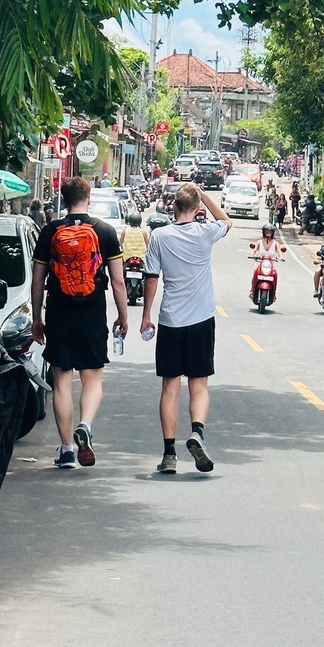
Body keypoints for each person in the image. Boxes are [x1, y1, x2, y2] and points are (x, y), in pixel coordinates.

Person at [31, 177, 128, 468]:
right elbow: (119, 281)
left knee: (62, 379)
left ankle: (66, 449)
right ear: (88, 198)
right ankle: (85, 425)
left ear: (63, 198)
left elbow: (38, 281)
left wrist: (37, 318)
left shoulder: (50, 231)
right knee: (92, 377)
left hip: (59, 312)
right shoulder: (105, 232)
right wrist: (123, 315)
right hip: (92, 312)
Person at [140, 184, 231, 475]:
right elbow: (227, 221)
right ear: (197, 209)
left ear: (173, 207)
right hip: (201, 320)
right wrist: (204, 195)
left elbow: (151, 278)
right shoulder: (205, 233)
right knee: (199, 384)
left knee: (170, 386)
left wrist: (146, 316)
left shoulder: (159, 235)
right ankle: (197, 433)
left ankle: (169, 455)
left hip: (170, 321)